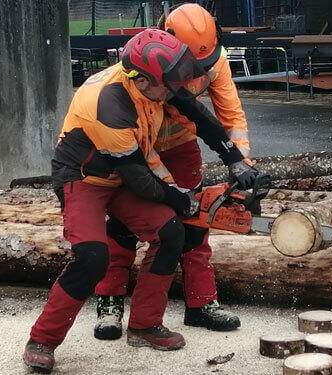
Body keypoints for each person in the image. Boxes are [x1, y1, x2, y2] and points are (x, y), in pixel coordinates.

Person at [23, 29, 216, 373]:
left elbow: (197, 114)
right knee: (92, 256)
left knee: (171, 234)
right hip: (84, 178)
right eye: (168, 84)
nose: (175, 90)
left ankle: (144, 326)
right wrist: (180, 198)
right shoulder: (108, 103)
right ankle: (42, 340)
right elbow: (140, 180)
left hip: (123, 173)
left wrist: (233, 156)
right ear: (141, 80)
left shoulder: (155, 85)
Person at [93, 3, 257, 341]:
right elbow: (132, 136)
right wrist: (165, 185)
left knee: (195, 223)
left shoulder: (217, 62)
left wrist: (243, 165)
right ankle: (110, 299)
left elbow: (231, 115)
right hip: (137, 147)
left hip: (182, 144)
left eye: (203, 64)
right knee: (125, 225)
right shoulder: (141, 64)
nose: (197, 73)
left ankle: (201, 303)